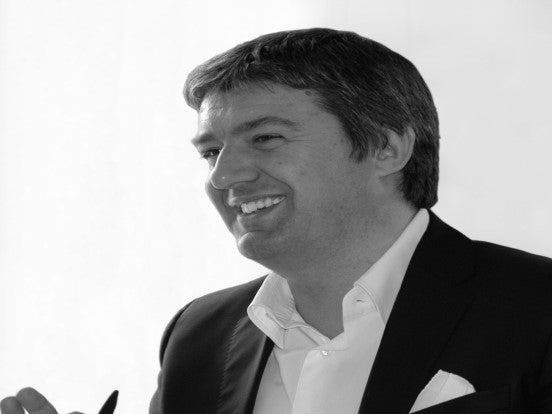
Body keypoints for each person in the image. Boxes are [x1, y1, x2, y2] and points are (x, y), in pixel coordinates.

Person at [2, 27, 551, 414]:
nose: (223, 176)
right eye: (210, 152)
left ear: (386, 147)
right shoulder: (199, 336)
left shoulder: (538, 309)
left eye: (265, 138)